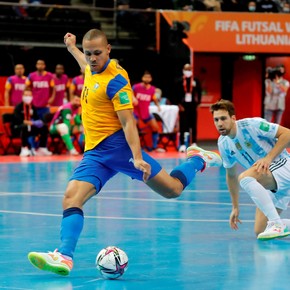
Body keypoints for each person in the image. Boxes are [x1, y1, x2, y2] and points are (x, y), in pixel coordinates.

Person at [27, 28, 222, 276]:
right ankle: (64, 256)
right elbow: (84, 66)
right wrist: (72, 48)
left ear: (108, 49)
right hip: (95, 152)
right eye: (89, 53)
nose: (92, 58)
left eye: (98, 53)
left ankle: (197, 159)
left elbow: (129, 122)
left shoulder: (116, 80)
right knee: (71, 198)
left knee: (173, 190)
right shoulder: (89, 67)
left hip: (119, 148)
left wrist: (138, 158)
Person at [210, 99, 290, 241]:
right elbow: (231, 175)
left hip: (283, 166)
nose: (219, 123)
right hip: (267, 178)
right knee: (260, 230)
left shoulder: (251, 125)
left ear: (233, 118)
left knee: (245, 178)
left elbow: (287, 134)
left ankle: (276, 223)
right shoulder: (223, 144)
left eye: (223, 118)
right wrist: (235, 207)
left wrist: (269, 158)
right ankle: (279, 223)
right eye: (216, 120)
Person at [25, 59, 54, 156]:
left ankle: (43, 147)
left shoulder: (50, 76)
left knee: (45, 127)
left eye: (42, 64)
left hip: (45, 107)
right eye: (38, 64)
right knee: (33, 127)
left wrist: (51, 98)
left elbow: (53, 89)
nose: (40, 65)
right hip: (34, 106)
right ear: (36, 65)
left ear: (44, 65)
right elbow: (26, 88)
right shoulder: (31, 76)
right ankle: (32, 148)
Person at [13, 88, 50, 157]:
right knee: (24, 126)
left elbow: (36, 118)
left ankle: (42, 147)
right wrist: (27, 122)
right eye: (26, 95)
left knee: (44, 127)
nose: (27, 97)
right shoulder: (18, 107)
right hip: (19, 127)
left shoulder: (33, 107)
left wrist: (36, 123)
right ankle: (24, 148)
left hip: (31, 127)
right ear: (22, 96)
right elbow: (16, 119)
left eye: (29, 95)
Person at [174, 63, 202, 153]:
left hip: (193, 105)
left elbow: (200, 91)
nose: (188, 71)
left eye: (189, 69)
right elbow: (175, 93)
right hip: (183, 105)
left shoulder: (196, 80)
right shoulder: (179, 81)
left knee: (193, 124)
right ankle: (182, 144)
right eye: (186, 69)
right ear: (183, 70)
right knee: (183, 124)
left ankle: (193, 142)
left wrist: (198, 103)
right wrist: (179, 104)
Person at [133, 70, 163, 152]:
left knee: (156, 127)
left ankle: (154, 147)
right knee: (132, 128)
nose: (147, 78)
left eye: (149, 77)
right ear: (142, 78)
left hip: (145, 112)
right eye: (145, 77)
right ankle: (134, 148)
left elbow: (154, 98)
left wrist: (158, 106)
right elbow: (129, 93)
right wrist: (133, 98)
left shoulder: (152, 89)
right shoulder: (136, 87)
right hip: (136, 113)